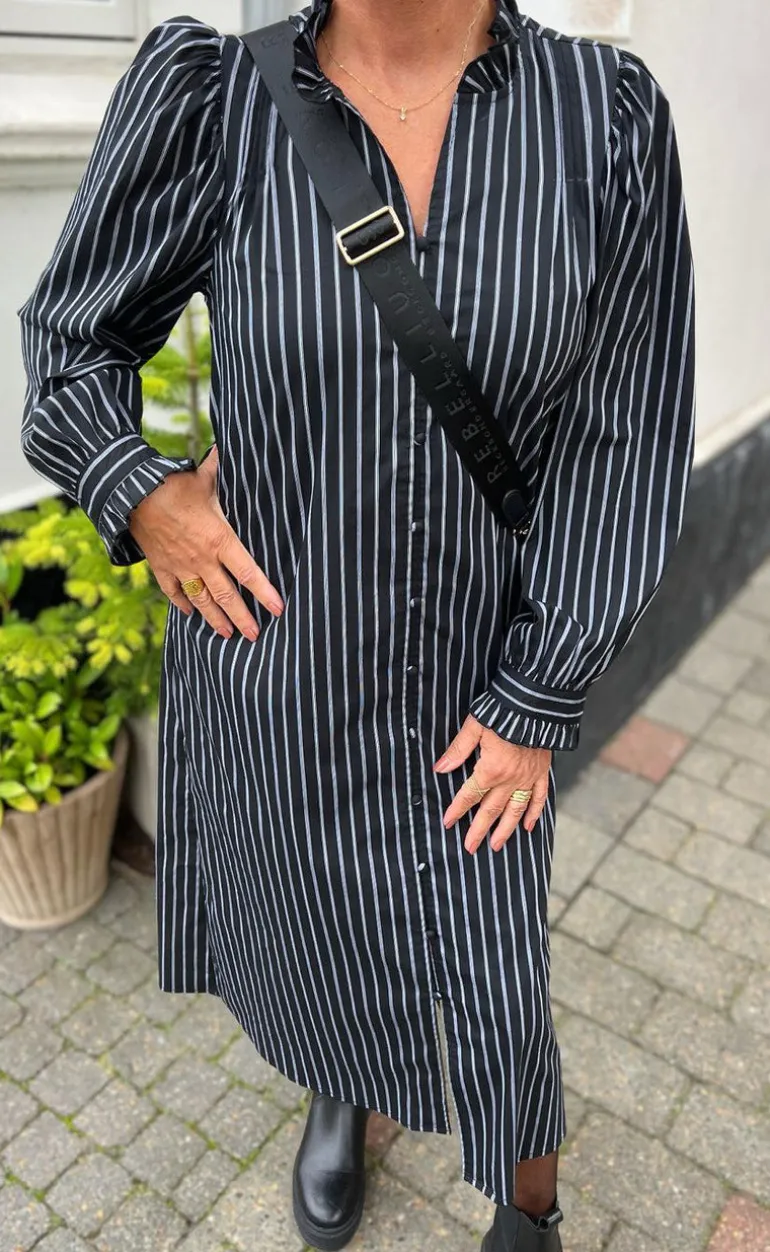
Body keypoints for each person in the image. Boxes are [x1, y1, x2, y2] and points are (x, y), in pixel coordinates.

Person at [17, 1, 695, 1248]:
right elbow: (70, 344)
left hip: (481, 680)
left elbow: (625, 433)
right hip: (284, 658)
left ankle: (530, 1207)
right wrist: (145, 494)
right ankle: (341, 1090)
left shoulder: (601, 119)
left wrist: (540, 689)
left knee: (498, 979)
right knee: (318, 922)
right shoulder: (216, 97)